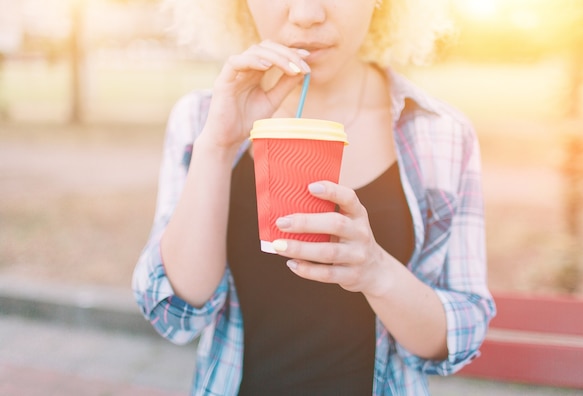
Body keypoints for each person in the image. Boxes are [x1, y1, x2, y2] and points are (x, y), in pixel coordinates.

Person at [132, 0, 496, 394]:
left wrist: (377, 273)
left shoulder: (442, 133)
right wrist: (217, 147)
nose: (306, 14)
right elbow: (176, 315)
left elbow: (458, 339)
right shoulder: (201, 119)